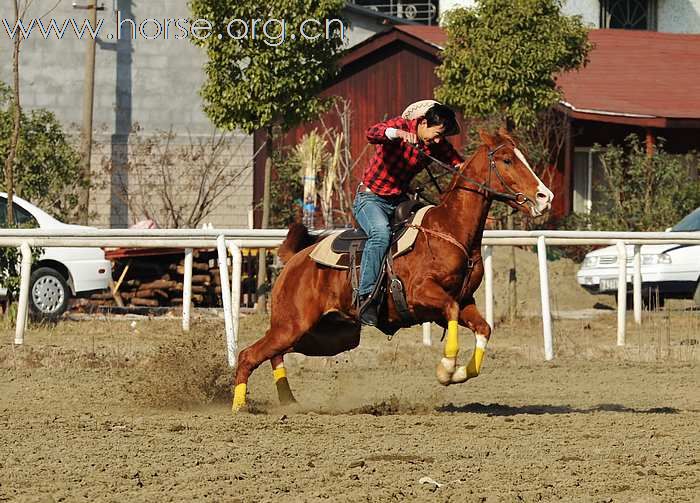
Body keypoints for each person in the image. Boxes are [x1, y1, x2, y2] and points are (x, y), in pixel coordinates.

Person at [353, 101, 464, 326]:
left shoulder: (435, 144)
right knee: (381, 235)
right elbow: (372, 133)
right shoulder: (401, 125)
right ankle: (365, 298)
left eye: (442, 137)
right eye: (437, 134)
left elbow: (456, 163)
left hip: (399, 200)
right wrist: (397, 134)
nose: (438, 140)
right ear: (423, 122)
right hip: (370, 198)